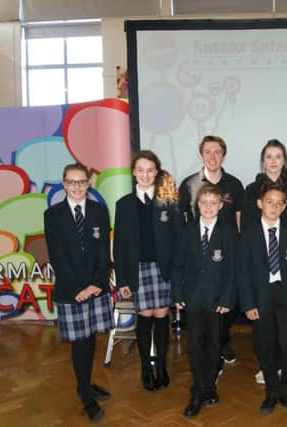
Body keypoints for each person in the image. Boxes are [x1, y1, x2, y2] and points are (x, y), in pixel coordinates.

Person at [44, 163, 113, 422]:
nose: (76, 187)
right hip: (71, 291)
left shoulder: (99, 211)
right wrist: (77, 289)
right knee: (79, 342)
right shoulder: (53, 216)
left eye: (81, 182)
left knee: (91, 337)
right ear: (63, 184)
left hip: (95, 288)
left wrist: (97, 283)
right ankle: (84, 392)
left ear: (88, 184)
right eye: (71, 182)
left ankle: (86, 382)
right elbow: (58, 257)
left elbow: (103, 251)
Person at [241, 139, 287, 384]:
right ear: (263, 160)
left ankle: (284, 370)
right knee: (264, 333)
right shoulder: (251, 189)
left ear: (284, 160)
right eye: (269, 156)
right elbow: (245, 223)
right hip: (261, 265)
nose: (273, 161)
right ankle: (267, 366)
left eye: (278, 156)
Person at [113, 150, 180, 392]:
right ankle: (145, 368)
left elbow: (177, 239)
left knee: (162, 315)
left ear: (157, 172)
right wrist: (122, 279)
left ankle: (161, 367)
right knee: (144, 316)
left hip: (163, 268)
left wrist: (177, 272)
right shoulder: (124, 204)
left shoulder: (168, 201)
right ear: (134, 173)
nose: (145, 174)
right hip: (137, 269)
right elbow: (119, 245)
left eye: (150, 170)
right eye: (140, 170)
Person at [172, 183, 237, 418]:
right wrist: (177, 294)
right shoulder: (187, 231)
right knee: (193, 346)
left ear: (220, 206)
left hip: (218, 301)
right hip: (192, 300)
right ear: (197, 205)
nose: (208, 207)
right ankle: (198, 390)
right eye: (203, 203)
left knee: (214, 345)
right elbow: (177, 265)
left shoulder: (228, 232)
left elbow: (233, 270)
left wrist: (228, 297)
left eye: (213, 203)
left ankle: (210, 386)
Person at [178, 135, 244, 366]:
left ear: (223, 155)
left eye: (217, 152)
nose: (213, 156)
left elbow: (239, 221)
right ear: (201, 154)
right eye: (208, 152)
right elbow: (184, 220)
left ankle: (221, 343)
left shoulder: (234, 184)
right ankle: (208, 350)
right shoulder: (188, 184)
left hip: (225, 253)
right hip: (198, 257)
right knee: (199, 325)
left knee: (225, 309)